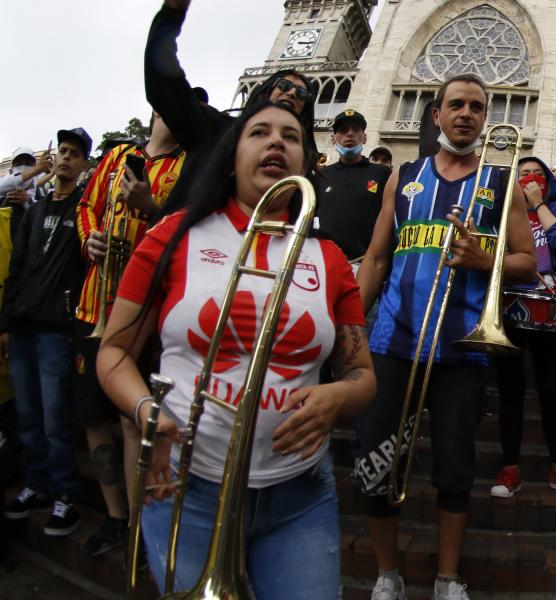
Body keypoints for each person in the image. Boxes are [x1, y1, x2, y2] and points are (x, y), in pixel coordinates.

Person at [95, 101, 374, 599]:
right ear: (230, 157)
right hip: (185, 484)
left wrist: (339, 398)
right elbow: (113, 353)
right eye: (259, 133)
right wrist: (146, 412)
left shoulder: (329, 258)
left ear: (307, 164)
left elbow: (361, 373)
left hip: (300, 495)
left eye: (291, 137)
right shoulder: (172, 236)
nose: (275, 143)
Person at [354, 73, 537, 600]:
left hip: (462, 348)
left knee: (455, 469)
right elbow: (377, 256)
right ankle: (387, 575)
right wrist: (347, 327)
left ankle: (447, 578)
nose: (466, 114)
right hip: (393, 341)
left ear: (485, 118)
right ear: (435, 115)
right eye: (456, 105)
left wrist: (486, 258)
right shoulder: (404, 175)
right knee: (375, 462)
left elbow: (528, 260)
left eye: (477, 108)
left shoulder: (503, 183)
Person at [74, 112, 184, 557]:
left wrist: (150, 207)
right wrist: (90, 240)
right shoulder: (119, 154)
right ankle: (116, 516)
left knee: (129, 417)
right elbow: (86, 207)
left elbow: (183, 230)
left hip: (141, 314)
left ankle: (141, 525)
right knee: (95, 418)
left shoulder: (185, 166)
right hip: (94, 304)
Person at [146, 0, 318, 219]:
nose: (292, 94)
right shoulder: (214, 128)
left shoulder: (301, 163)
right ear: (265, 92)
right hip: (188, 246)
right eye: (284, 86)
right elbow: (163, 84)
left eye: (302, 94)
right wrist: (172, 13)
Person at [0, 127, 92, 536]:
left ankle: (65, 495)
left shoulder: (84, 210)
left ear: (83, 163)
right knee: (28, 414)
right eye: (63, 152)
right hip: (22, 327)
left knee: (56, 417)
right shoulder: (34, 210)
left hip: (56, 329)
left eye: (75, 153)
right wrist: (6, 323)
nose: (66, 159)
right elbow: (17, 266)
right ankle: (36, 485)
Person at [489, 157, 556, 500]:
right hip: (508, 309)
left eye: (537, 175)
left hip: (551, 312)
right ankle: (510, 467)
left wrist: (538, 206)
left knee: (552, 392)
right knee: (511, 391)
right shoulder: (501, 218)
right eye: (523, 176)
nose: (530, 179)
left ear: (547, 183)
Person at [315, 109, 391, 262]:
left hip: (362, 264)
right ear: (332, 139)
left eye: (356, 130)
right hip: (322, 261)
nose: (349, 134)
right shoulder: (321, 175)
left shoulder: (382, 173)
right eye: (343, 130)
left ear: (364, 138)